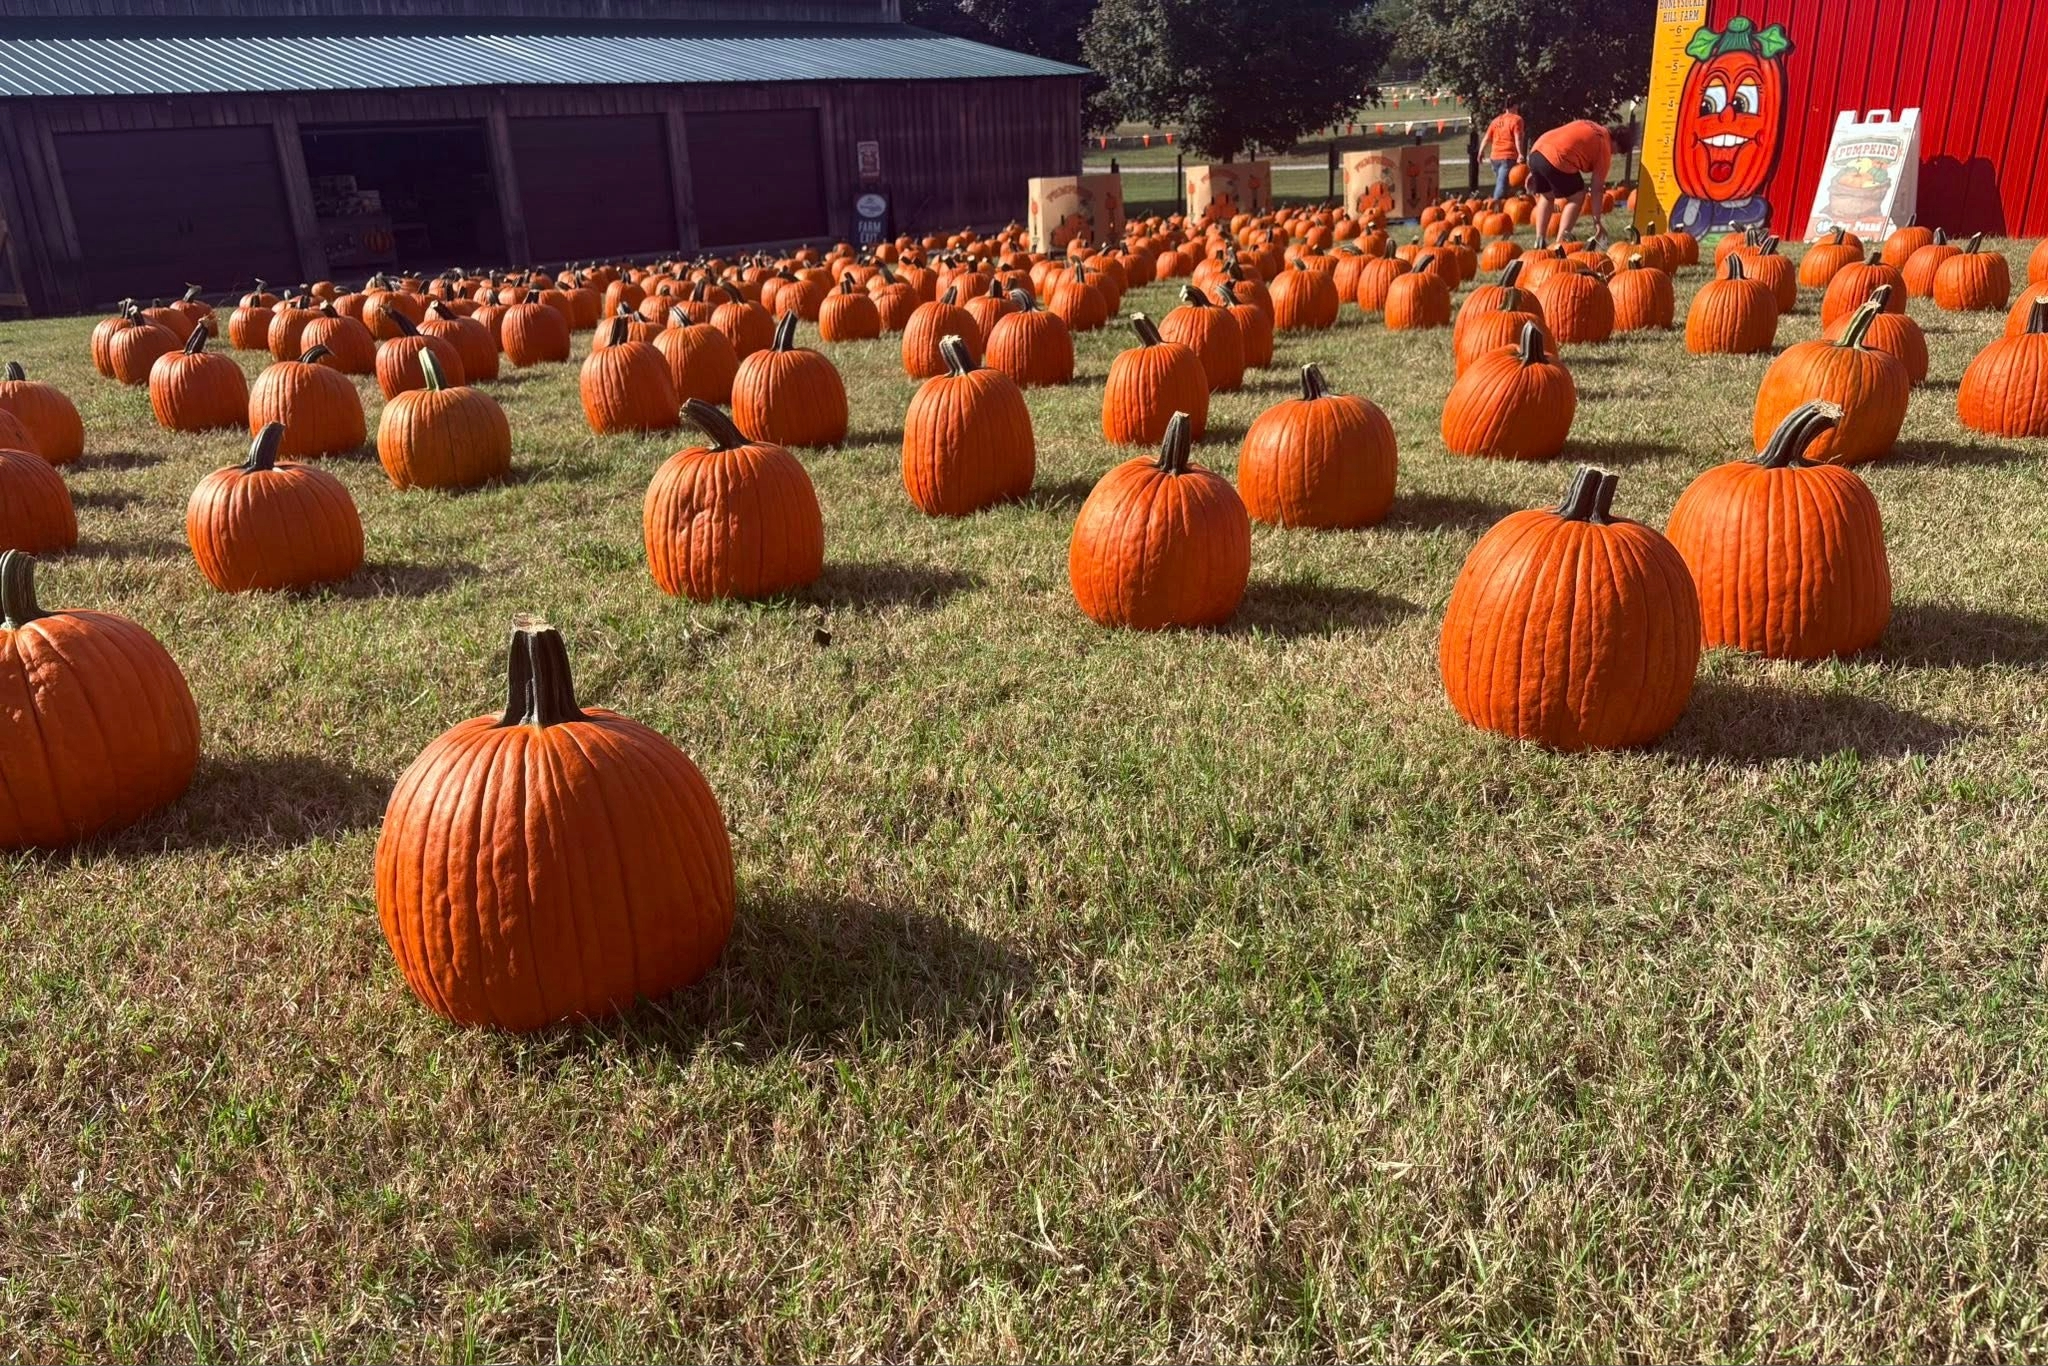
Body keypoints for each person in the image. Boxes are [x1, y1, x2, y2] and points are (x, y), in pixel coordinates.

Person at [1526, 118, 1614, 245]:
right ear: (1616, 144)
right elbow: (1597, 188)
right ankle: (1561, 242)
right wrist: (1597, 221)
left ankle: (1539, 239)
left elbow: (1564, 140)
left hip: (1536, 152)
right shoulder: (1604, 143)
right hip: (1557, 157)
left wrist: (1535, 169)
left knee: (1547, 196)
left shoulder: (1587, 123)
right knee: (1576, 197)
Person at [1483, 102, 1526, 202]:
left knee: (1503, 183)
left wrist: (1481, 151)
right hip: (1508, 157)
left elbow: (1487, 138)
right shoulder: (1517, 119)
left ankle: (1504, 206)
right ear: (1515, 106)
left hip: (1494, 157)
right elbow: (1518, 138)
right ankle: (1495, 207)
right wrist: (1520, 153)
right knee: (1502, 185)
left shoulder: (1496, 121)